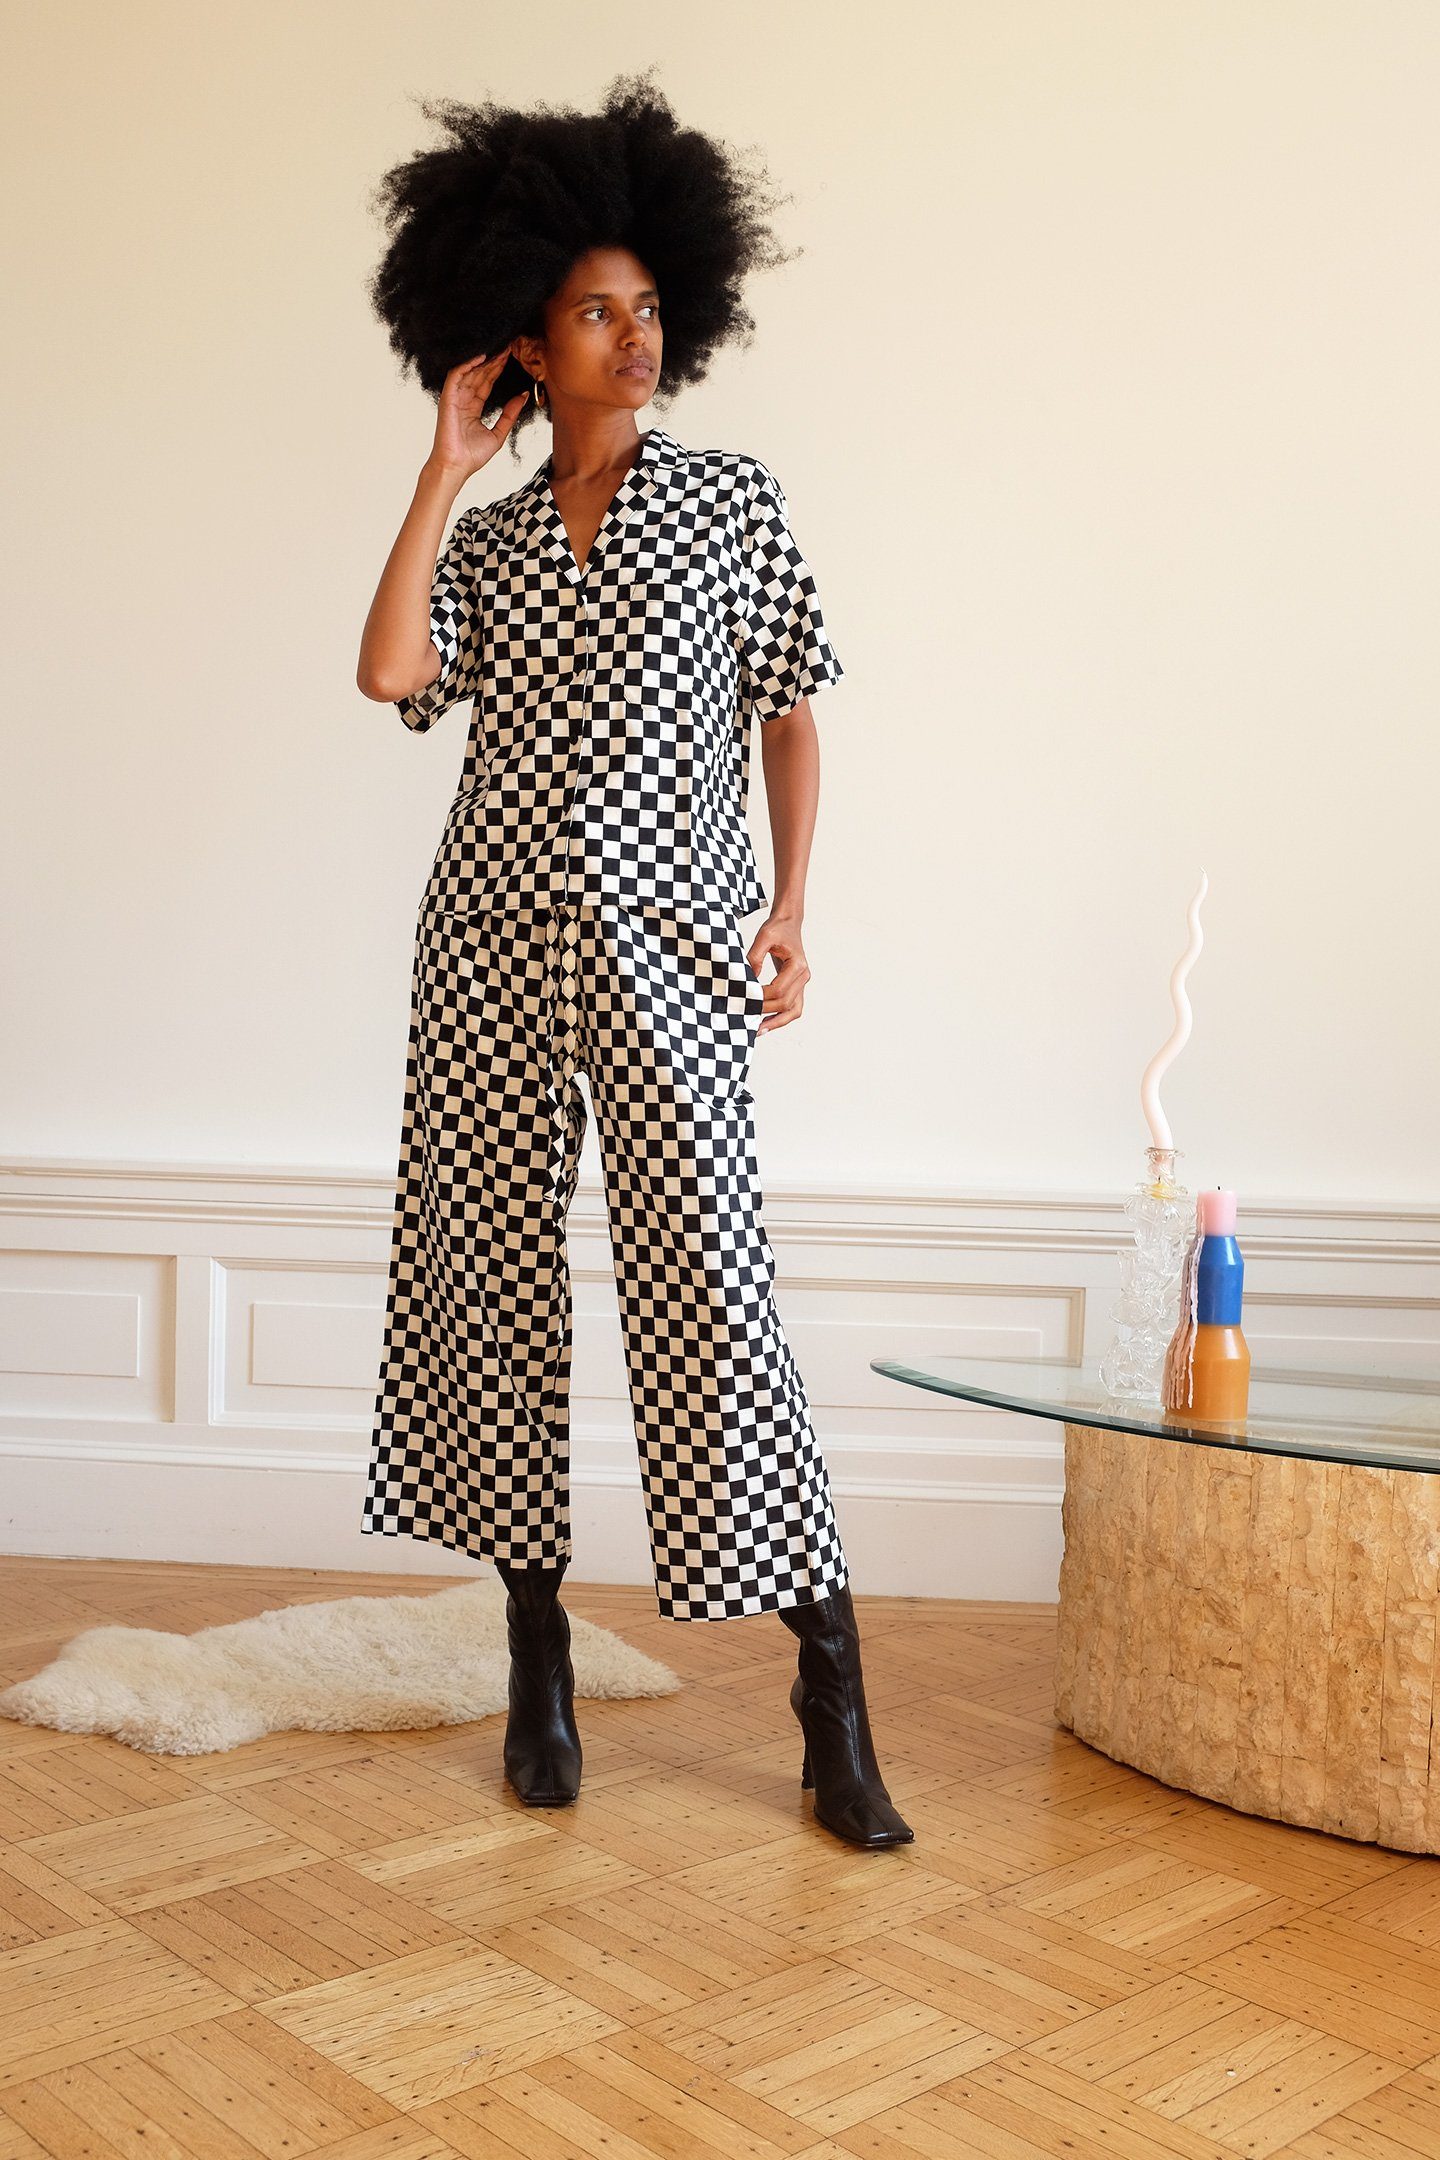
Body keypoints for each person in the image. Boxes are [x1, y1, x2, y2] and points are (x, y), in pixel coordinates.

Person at [355, 72, 913, 1850]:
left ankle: (832, 1699)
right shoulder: (494, 541)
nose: (636, 336)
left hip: (675, 947)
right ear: (527, 341)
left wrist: (791, 906)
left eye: (650, 307)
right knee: (492, 1285)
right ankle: (537, 1660)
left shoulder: (732, 503)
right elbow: (390, 674)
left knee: (711, 1293)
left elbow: (790, 715)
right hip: (490, 952)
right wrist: (444, 470)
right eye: (597, 313)